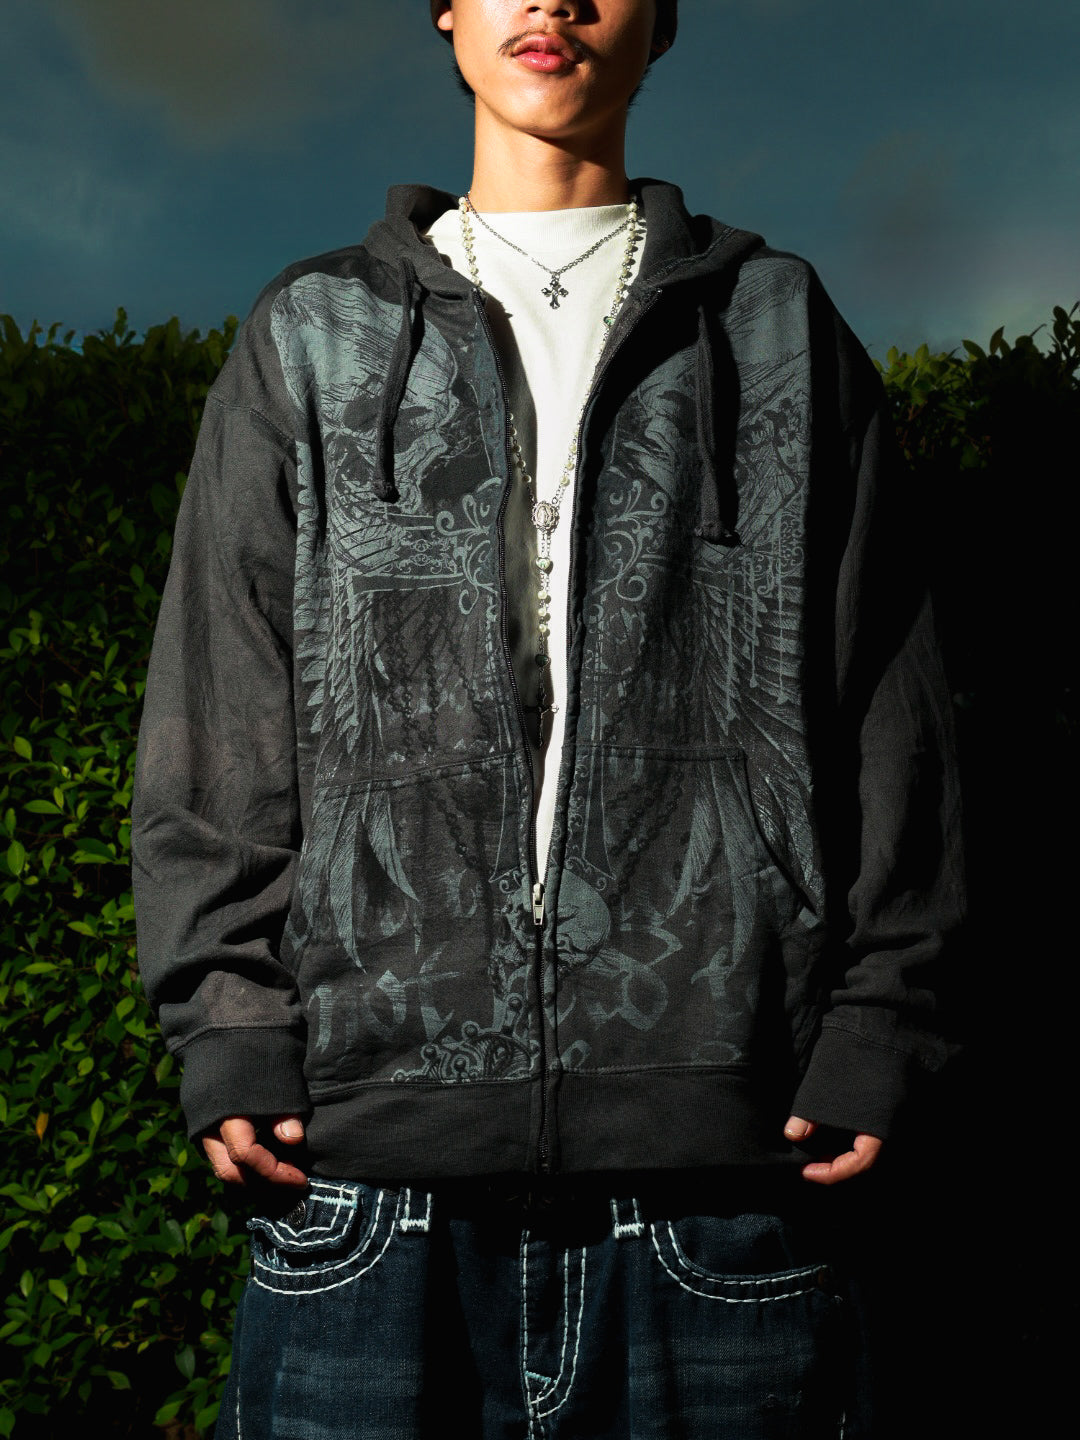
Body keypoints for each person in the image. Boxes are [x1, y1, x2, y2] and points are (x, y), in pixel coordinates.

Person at [132, 2, 963, 1436]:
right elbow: (221, 699)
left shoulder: (777, 329)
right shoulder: (312, 334)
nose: (556, 1)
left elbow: (888, 702)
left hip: (720, 1182)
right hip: (365, 1188)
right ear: (448, 9)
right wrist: (228, 1020)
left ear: (664, 20)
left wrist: (881, 1019)